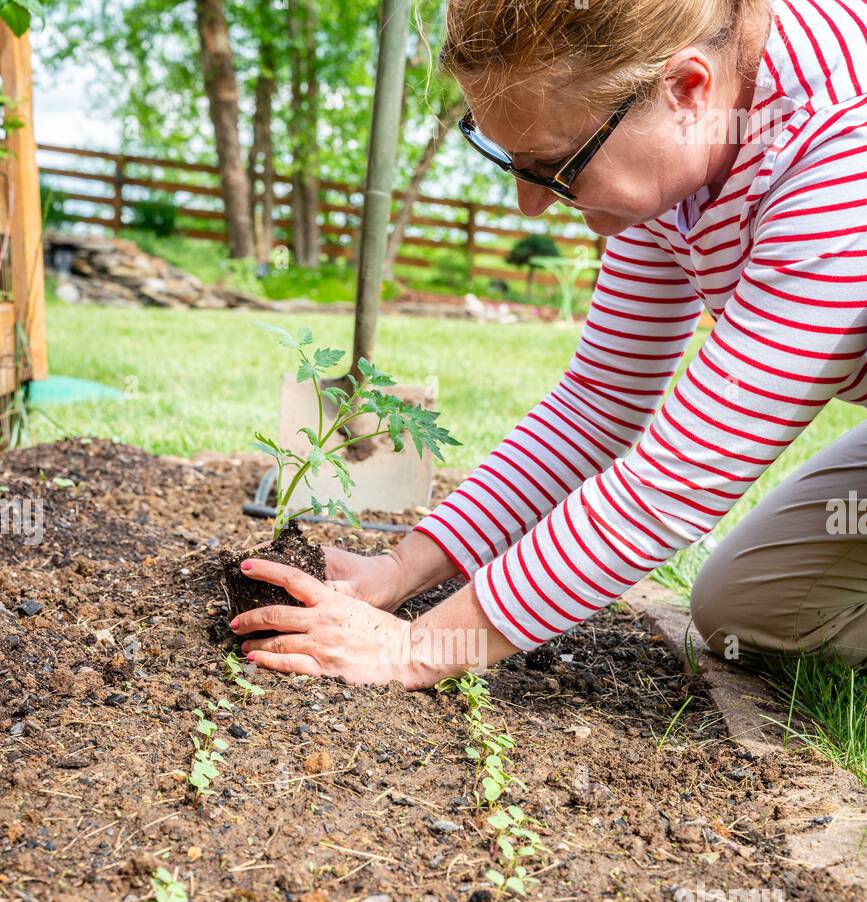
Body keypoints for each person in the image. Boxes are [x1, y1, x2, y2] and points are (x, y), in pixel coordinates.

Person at [232, 0, 867, 686]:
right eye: (512, 159)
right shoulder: (679, 141)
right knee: (751, 611)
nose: (530, 205)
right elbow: (597, 401)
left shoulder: (839, 151)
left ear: (687, 88)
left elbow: (679, 475)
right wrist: (398, 572)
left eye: (554, 165)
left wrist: (419, 648)